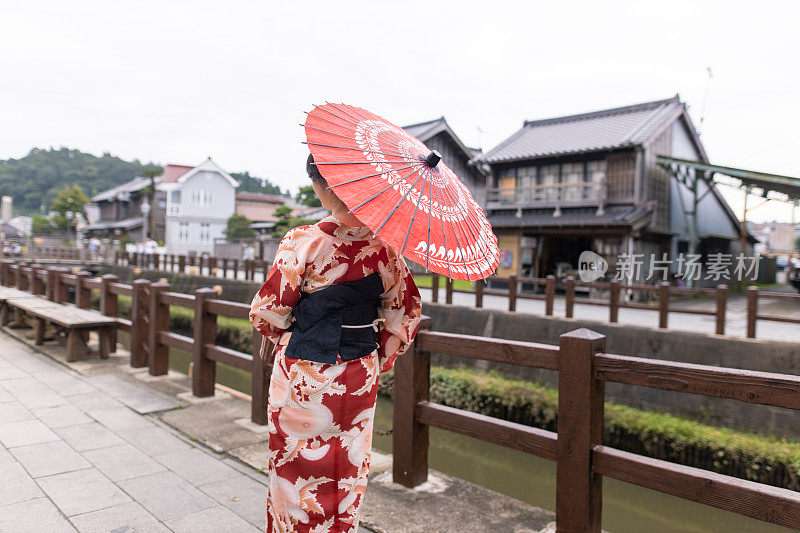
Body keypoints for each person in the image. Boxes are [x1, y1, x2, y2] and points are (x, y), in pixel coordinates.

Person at [249, 154, 421, 532]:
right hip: (359, 373)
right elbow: (404, 314)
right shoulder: (387, 250)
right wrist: (376, 357)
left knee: (293, 467)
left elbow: (269, 312)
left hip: (302, 372)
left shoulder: (303, 241)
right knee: (348, 463)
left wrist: (284, 335)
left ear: (324, 187)